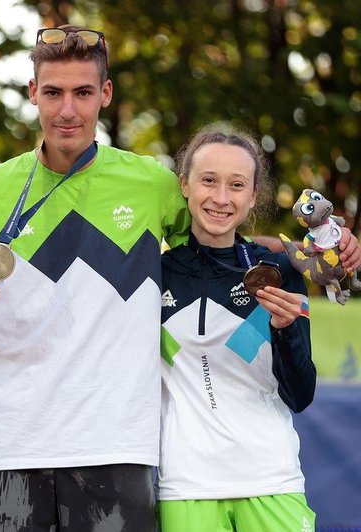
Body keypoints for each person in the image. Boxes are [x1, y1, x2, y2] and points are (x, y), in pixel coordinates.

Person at [0, 25, 361, 531]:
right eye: (53, 92)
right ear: (33, 93)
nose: (67, 109)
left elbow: (214, 240)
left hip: (120, 444)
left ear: (105, 94)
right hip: (14, 444)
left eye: (83, 92)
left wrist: (307, 254)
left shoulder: (153, 183)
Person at [157, 125, 316, 531]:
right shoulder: (154, 275)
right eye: (208, 181)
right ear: (184, 185)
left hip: (272, 479)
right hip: (186, 485)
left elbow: (301, 394)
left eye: (237, 185)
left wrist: (283, 330)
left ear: (253, 196)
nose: (221, 198)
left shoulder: (279, 272)